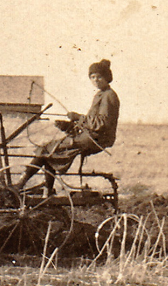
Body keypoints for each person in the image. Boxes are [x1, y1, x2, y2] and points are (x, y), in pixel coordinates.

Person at [13, 59, 120, 193]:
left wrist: (78, 117)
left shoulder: (109, 96)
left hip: (96, 139)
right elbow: (92, 123)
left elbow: (101, 123)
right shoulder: (101, 95)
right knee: (50, 151)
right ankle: (46, 191)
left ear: (107, 78)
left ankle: (21, 184)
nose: (96, 80)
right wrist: (68, 126)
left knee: (48, 149)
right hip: (91, 136)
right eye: (92, 77)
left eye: (99, 77)